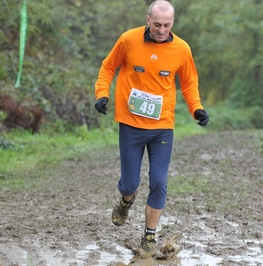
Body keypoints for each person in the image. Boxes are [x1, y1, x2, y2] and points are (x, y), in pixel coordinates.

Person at [94, 0, 209, 258]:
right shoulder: (128, 40)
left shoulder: (182, 48)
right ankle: (125, 201)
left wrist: (197, 109)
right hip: (131, 124)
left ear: (173, 23)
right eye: (157, 24)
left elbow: (189, 84)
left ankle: (149, 237)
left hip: (162, 127)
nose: (161, 30)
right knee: (130, 184)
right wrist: (102, 94)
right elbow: (107, 67)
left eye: (167, 25)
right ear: (148, 20)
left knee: (159, 181)